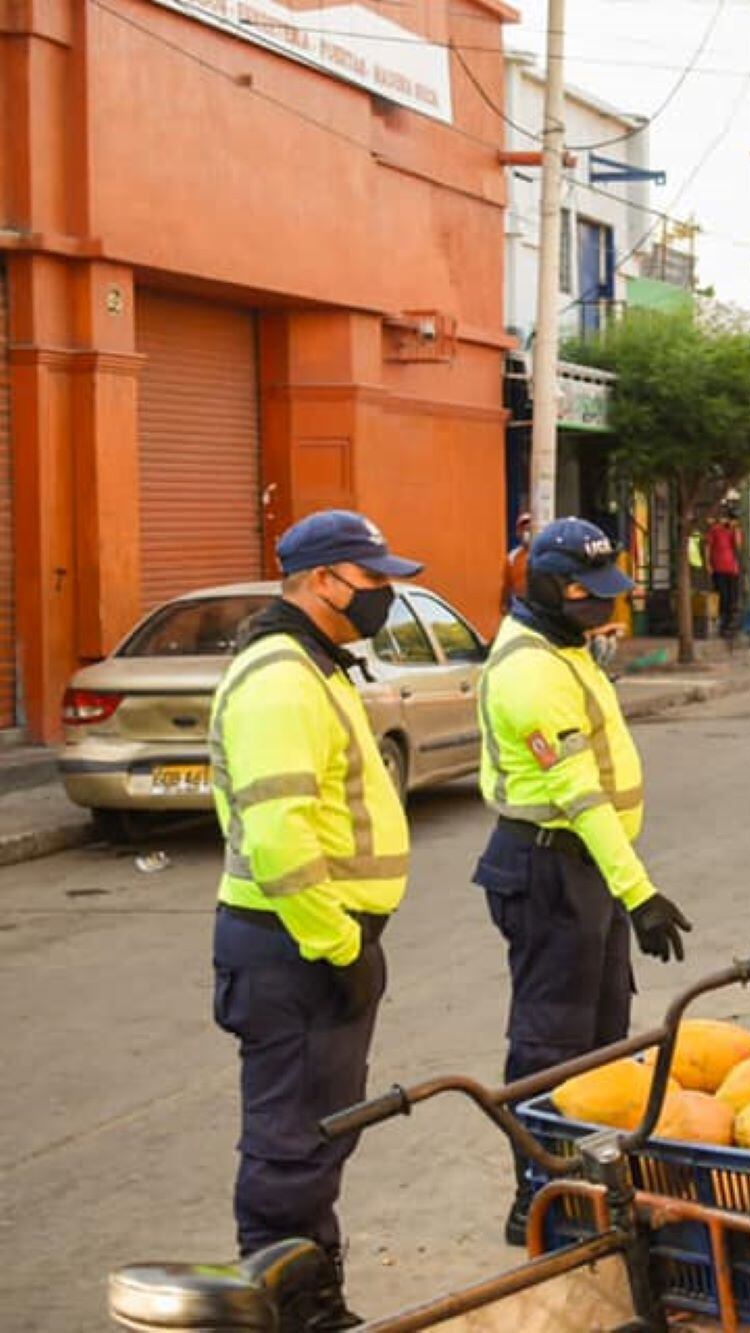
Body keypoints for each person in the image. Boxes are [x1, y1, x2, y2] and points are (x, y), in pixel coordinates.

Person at [209, 509, 422, 1328]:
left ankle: (309, 1294)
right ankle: (287, 1308)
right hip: (295, 942)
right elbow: (278, 835)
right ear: (326, 580)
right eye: (375, 581)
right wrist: (337, 946)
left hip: (316, 937)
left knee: (320, 1132)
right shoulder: (281, 679)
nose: (388, 595)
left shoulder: (318, 664)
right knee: (292, 1143)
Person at [474, 517, 695, 1244]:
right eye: (583, 591)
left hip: (585, 866)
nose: (601, 604)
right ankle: (537, 1189)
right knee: (551, 1040)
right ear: (540, 584)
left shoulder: (565, 649)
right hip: (550, 865)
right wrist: (640, 894)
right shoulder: (530, 670)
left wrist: (622, 887)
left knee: (601, 1037)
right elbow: (580, 795)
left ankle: (593, 1187)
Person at [704, 512, 742, 635]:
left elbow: (738, 546)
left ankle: (731, 622)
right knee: (723, 595)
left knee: (733, 597)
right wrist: (707, 563)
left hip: (732, 568)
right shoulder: (715, 530)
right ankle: (723, 621)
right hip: (718, 568)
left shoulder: (733, 531)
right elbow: (707, 547)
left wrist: (736, 531)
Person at [504, 511, 533, 614]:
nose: (526, 533)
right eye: (523, 529)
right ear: (518, 532)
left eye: (529, 529)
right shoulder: (512, 557)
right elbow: (507, 584)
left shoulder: (543, 554)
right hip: (519, 605)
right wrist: (505, 604)